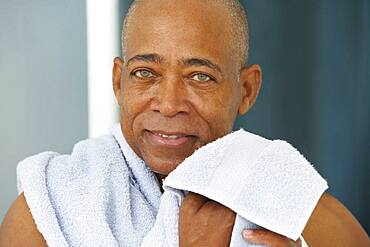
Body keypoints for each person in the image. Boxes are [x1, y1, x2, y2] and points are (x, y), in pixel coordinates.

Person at [0, 0, 369, 246]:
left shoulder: (288, 198)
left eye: (200, 77)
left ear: (246, 89)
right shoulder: (50, 210)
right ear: (118, 82)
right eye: (145, 73)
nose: (170, 103)